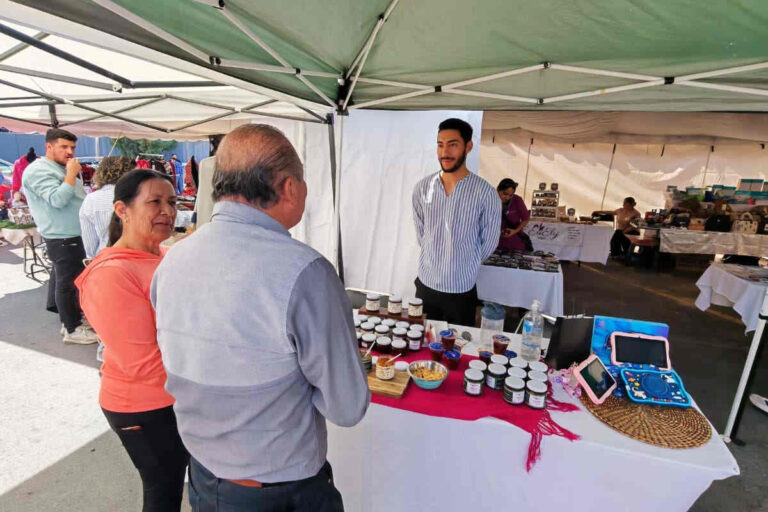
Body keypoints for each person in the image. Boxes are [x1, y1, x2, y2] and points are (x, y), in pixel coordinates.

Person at [151, 124, 369, 512]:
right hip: (282, 486)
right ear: (288, 187)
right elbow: (347, 407)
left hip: (203, 474)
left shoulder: (172, 260)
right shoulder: (306, 272)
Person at [75, 169, 188, 512]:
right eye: (154, 202)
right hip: (144, 404)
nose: (168, 211)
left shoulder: (164, 256)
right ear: (122, 210)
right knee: (163, 489)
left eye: (172, 201)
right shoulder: (111, 274)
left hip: (176, 395)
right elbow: (144, 364)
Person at [412, 118, 501, 325]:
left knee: (458, 349)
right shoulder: (423, 188)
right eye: (440, 145)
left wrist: (462, 263)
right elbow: (422, 234)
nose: (445, 152)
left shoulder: (485, 193)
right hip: (426, 285)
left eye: (453, 144)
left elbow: (488, 243)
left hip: (461, 290)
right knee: (423, 346)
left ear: (468, 147)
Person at [22, 129, 98, 344]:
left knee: (67, 280)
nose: (70, 152)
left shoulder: (57, 167)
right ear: (49, 146)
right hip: (62, 235)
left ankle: (69, 320)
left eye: (72, 147)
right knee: (68, 282)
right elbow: (57, 200)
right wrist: (71, 175)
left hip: (73, 232)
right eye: (64, 147)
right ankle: (72, 328)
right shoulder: (38, 170)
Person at [79, 156, 134, 258]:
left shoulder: (91, 200)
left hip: (105, 258)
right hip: (138, 257)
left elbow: (89, 246)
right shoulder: (139, 197)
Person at [496, 178, 532, 252]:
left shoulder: (517, 200)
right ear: (498, 189)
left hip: (513, 242)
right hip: (494, 242)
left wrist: (515, 231)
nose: (507, 198)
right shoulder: (490, 200)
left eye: (510, 195)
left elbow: (525, 219)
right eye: (505, 194)